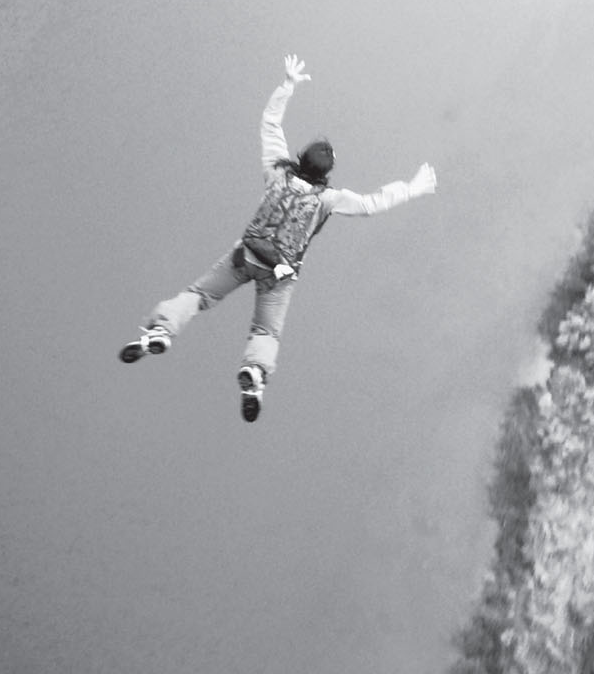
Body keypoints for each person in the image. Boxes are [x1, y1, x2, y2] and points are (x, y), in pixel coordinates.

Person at [120, 54, 438, 422]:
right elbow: (371, 204)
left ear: (300, 158)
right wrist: (412, 188)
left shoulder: (276, 172)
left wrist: (287, 84)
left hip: (243, 258)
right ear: (327, 174)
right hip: (280, 275)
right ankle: (254, 372)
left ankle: (162, 329)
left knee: (198, 296)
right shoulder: (328, 200)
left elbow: (270, 124)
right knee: (265, 331)